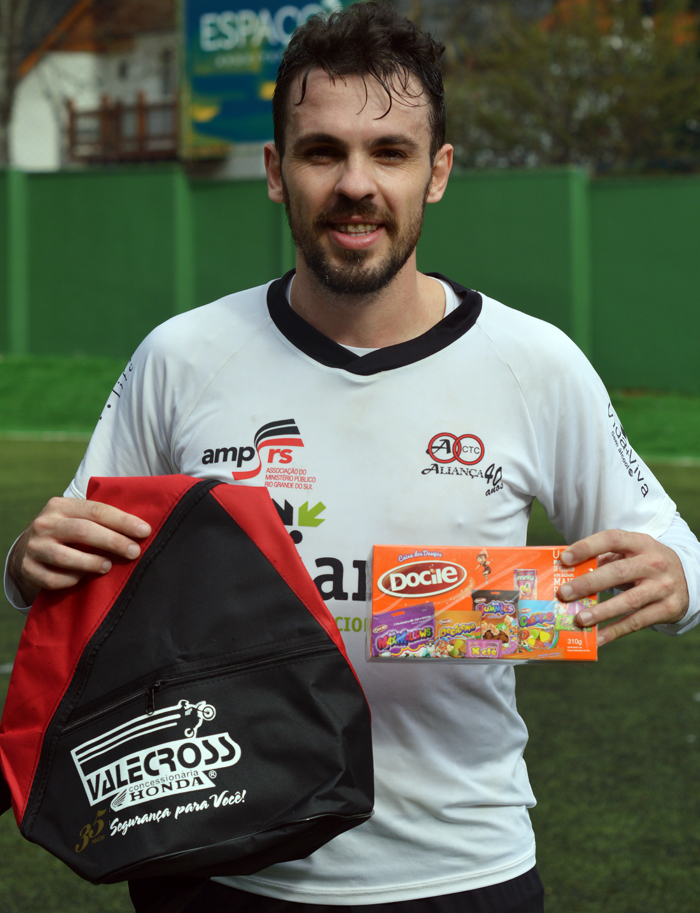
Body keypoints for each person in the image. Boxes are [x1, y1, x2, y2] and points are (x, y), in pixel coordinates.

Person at [5, 3, 700, 912]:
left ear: (438, 173)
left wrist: (676, 577)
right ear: (274, 171)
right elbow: (71, 562)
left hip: (460, 869)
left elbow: (671, 545)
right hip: (218, 862)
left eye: (392, 152)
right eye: (323, 151)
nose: (356, 183)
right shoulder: (181, 357)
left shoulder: (533, 364)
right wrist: (27, 563)